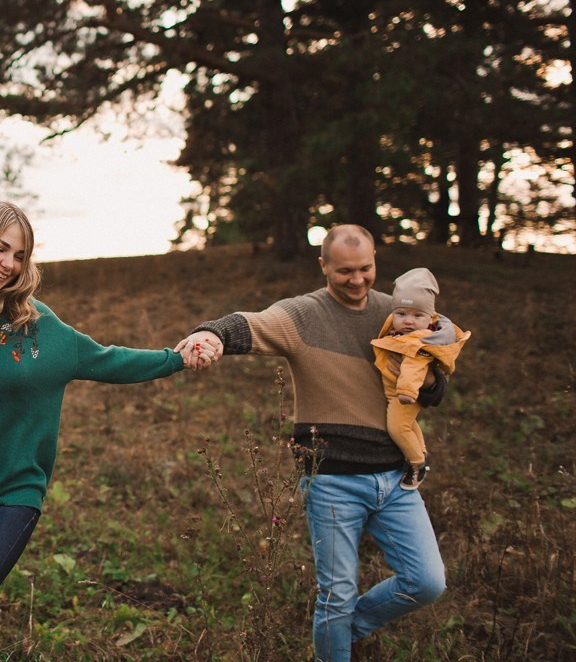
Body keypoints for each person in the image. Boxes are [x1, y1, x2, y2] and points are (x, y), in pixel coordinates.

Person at [0, 200, 195, 662]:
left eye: (20, 255)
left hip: (10, 493)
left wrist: (177, 358)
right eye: (0, 248)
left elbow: (106, 359)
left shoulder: (33, 322)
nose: (8, 264)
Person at [175, 225, 448, 662]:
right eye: (344, 271)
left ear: (375, 261)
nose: (357, 280)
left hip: (396, 480)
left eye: (365, 268)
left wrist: (430, 382)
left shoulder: (396, 313)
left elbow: (434, 380)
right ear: (323, 265)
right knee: (336, 595)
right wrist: (211, 335)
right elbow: (252, 323)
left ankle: (344, 629)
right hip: (333, 481)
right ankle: (334, 638)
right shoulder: (303, 315)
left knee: (427, 582)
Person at [371, 267, 470, 490]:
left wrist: (406, 392)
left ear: (430, 317)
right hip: (395, 392)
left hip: (404, 394)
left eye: (417, 316)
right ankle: (421, 452)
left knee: (398, 428)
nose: (408, 321)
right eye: (401, 314)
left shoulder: (419, 342)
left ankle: (417, 463)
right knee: (408, 424)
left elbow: (413, 369)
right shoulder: (401, 333)